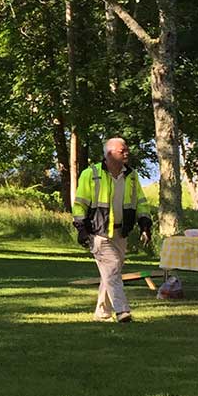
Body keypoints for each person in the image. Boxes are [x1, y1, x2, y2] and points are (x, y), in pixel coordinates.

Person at [72, 137, 153, 323]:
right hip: (98, 232)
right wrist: (81, 228)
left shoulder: (131, 176)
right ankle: (122, 311)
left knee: (110, 273)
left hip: (120, 233)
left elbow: (141, 202)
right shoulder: (90, 174)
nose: (127, 153)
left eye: (127, 150)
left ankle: (102, 313)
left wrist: (145, 225)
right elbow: (80, 204)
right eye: (122, 151)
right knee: (113, 266)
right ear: (109, 154)